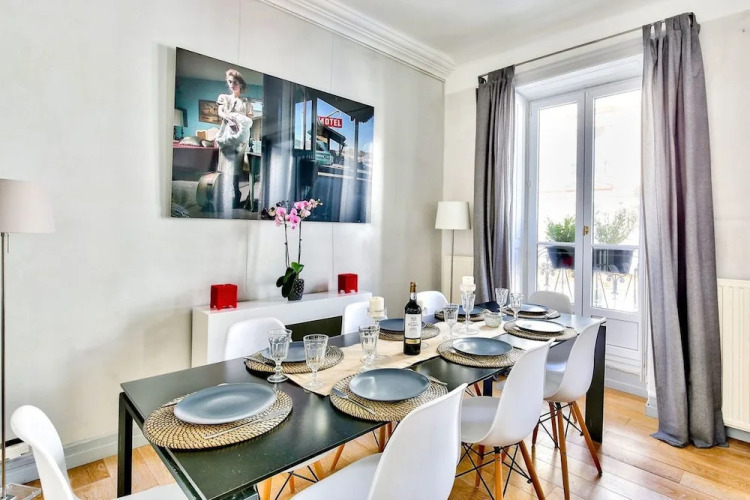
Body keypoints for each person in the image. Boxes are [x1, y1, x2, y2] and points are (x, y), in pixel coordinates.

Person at [215, 69, 253, 215]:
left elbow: (249, 120)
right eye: (230, 82)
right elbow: (220, 112)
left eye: (235, 82)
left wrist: (239, 122)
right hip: (226, 135)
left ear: (240, 84)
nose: (232, 85)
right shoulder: (224, 98)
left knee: (235, 168)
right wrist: (229, 118)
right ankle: (223, 194)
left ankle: (237, 192)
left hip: (239, 138)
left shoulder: (246, 102)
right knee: (225, 166)